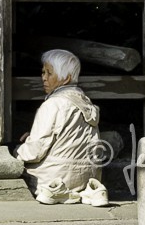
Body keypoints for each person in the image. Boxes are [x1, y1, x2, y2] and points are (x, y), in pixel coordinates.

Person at [16, 48, 104, 204]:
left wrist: (16, 151)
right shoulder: (86, 103)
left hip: (53, 179)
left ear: (66, 79)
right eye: (43, 72)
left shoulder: (53, 104)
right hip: (85, 179)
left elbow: (35, 151)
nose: (44, 78)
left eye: (49, 73)